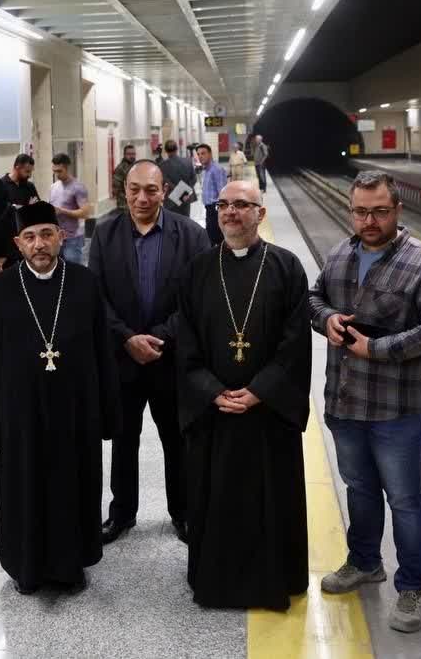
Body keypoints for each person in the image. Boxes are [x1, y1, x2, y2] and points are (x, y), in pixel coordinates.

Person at [309, 171, 421, 633]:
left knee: (406, 499)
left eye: (379, 211)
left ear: (397, 210)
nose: (369, 221)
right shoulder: (340, 254)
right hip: (345, 401)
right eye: (360, 211)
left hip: (399, 409)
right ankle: (364, 561)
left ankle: (414, 588)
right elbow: (313, 297)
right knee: (358, 488)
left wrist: (378, 349)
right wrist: (327, 319)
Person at [0, 201, 121, 594]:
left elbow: (103, 352)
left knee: (74, 485)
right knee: (25, 488)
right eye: (31, 237)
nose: (39, 244)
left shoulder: (85, 283)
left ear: (61, 237)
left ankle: (71, 565)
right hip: (20, 414)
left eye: (47, 235)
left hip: (76, 410)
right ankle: (26, 567)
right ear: (18, 243)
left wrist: (108, 412)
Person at [177, 180, 311, 609]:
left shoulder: (287, 267)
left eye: (241, 204)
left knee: (269, 498)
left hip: (267, 415)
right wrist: (212, 391)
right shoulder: (198, 270)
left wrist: (259, 391)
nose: (230, 212)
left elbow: (295, 344)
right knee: (214, 497)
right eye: (223, 205)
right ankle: (213, 580)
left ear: (260, 213)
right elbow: (186, 341)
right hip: (215, 414)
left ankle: (275, 578)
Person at [89, 160, 209, 545]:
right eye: (135, 189)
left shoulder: (191, 236)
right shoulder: (104, 234)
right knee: (123, 440)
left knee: (177, 439)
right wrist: (127, 338)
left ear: (164, 191)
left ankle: (183, 513)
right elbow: (96, 297)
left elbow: (198, 300)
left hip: (170, 360)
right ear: (124, 191)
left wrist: (157, 338)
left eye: (151, 190)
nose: (142, 198)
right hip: (122, 359)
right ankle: (122, 513)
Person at [48, 153, 91, 265]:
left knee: (73, 270)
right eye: (54, 171)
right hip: (56, 237)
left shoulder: (78, 187)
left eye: (59, 171)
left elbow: (85, 213)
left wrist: (62, 211)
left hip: (73, 238)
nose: (57, 174)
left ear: (67, 168)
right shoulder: (53, 187)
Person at [196, 144, 229, 247]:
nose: (200, 156)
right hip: (209, 209)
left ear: (210, 154)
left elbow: (223, 193)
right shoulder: (206, 170)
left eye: (203, 153)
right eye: (198, 154)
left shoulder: (217, 169)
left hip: (215, 209)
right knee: (211, 237)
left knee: (217, 238)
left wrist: (220, 212)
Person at [158, 139, 196, 217]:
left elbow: (164, 182)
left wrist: (177, 193)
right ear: (177, 149)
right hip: (185, 198)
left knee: (172, 222)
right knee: (185, 221)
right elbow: (194, 179)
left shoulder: (162, 166)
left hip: (171, 201)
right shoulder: (188, 161)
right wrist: (184, 193)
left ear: (165, 151)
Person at [110, 144, 137, 208]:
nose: (132, 156)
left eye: (133, 154)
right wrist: (128, 198)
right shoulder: (120, 169)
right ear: (124, 155)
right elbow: (116, 189)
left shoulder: (136, 166)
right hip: (124, 205)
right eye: (129, 154)